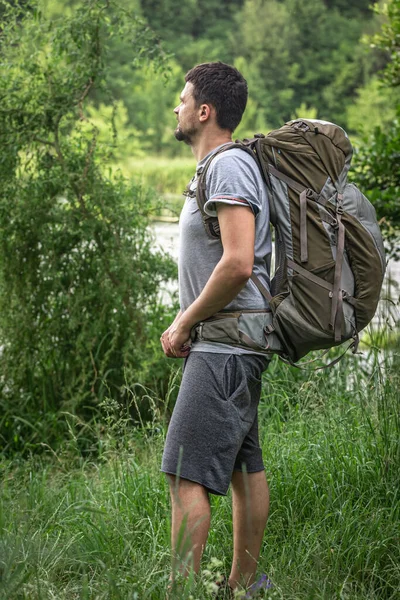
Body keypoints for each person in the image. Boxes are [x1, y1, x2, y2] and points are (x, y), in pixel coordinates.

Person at [160, 62, 272, 596]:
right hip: (236, 342)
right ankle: (244, 587)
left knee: (185, 474)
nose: (176, 108)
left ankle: (181, 592)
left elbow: (238, 262)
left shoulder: (226, 167)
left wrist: (185, 321)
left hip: (225, 344)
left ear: (205, 111)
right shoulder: (224, 168)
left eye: (182, 100)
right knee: (244, 468)